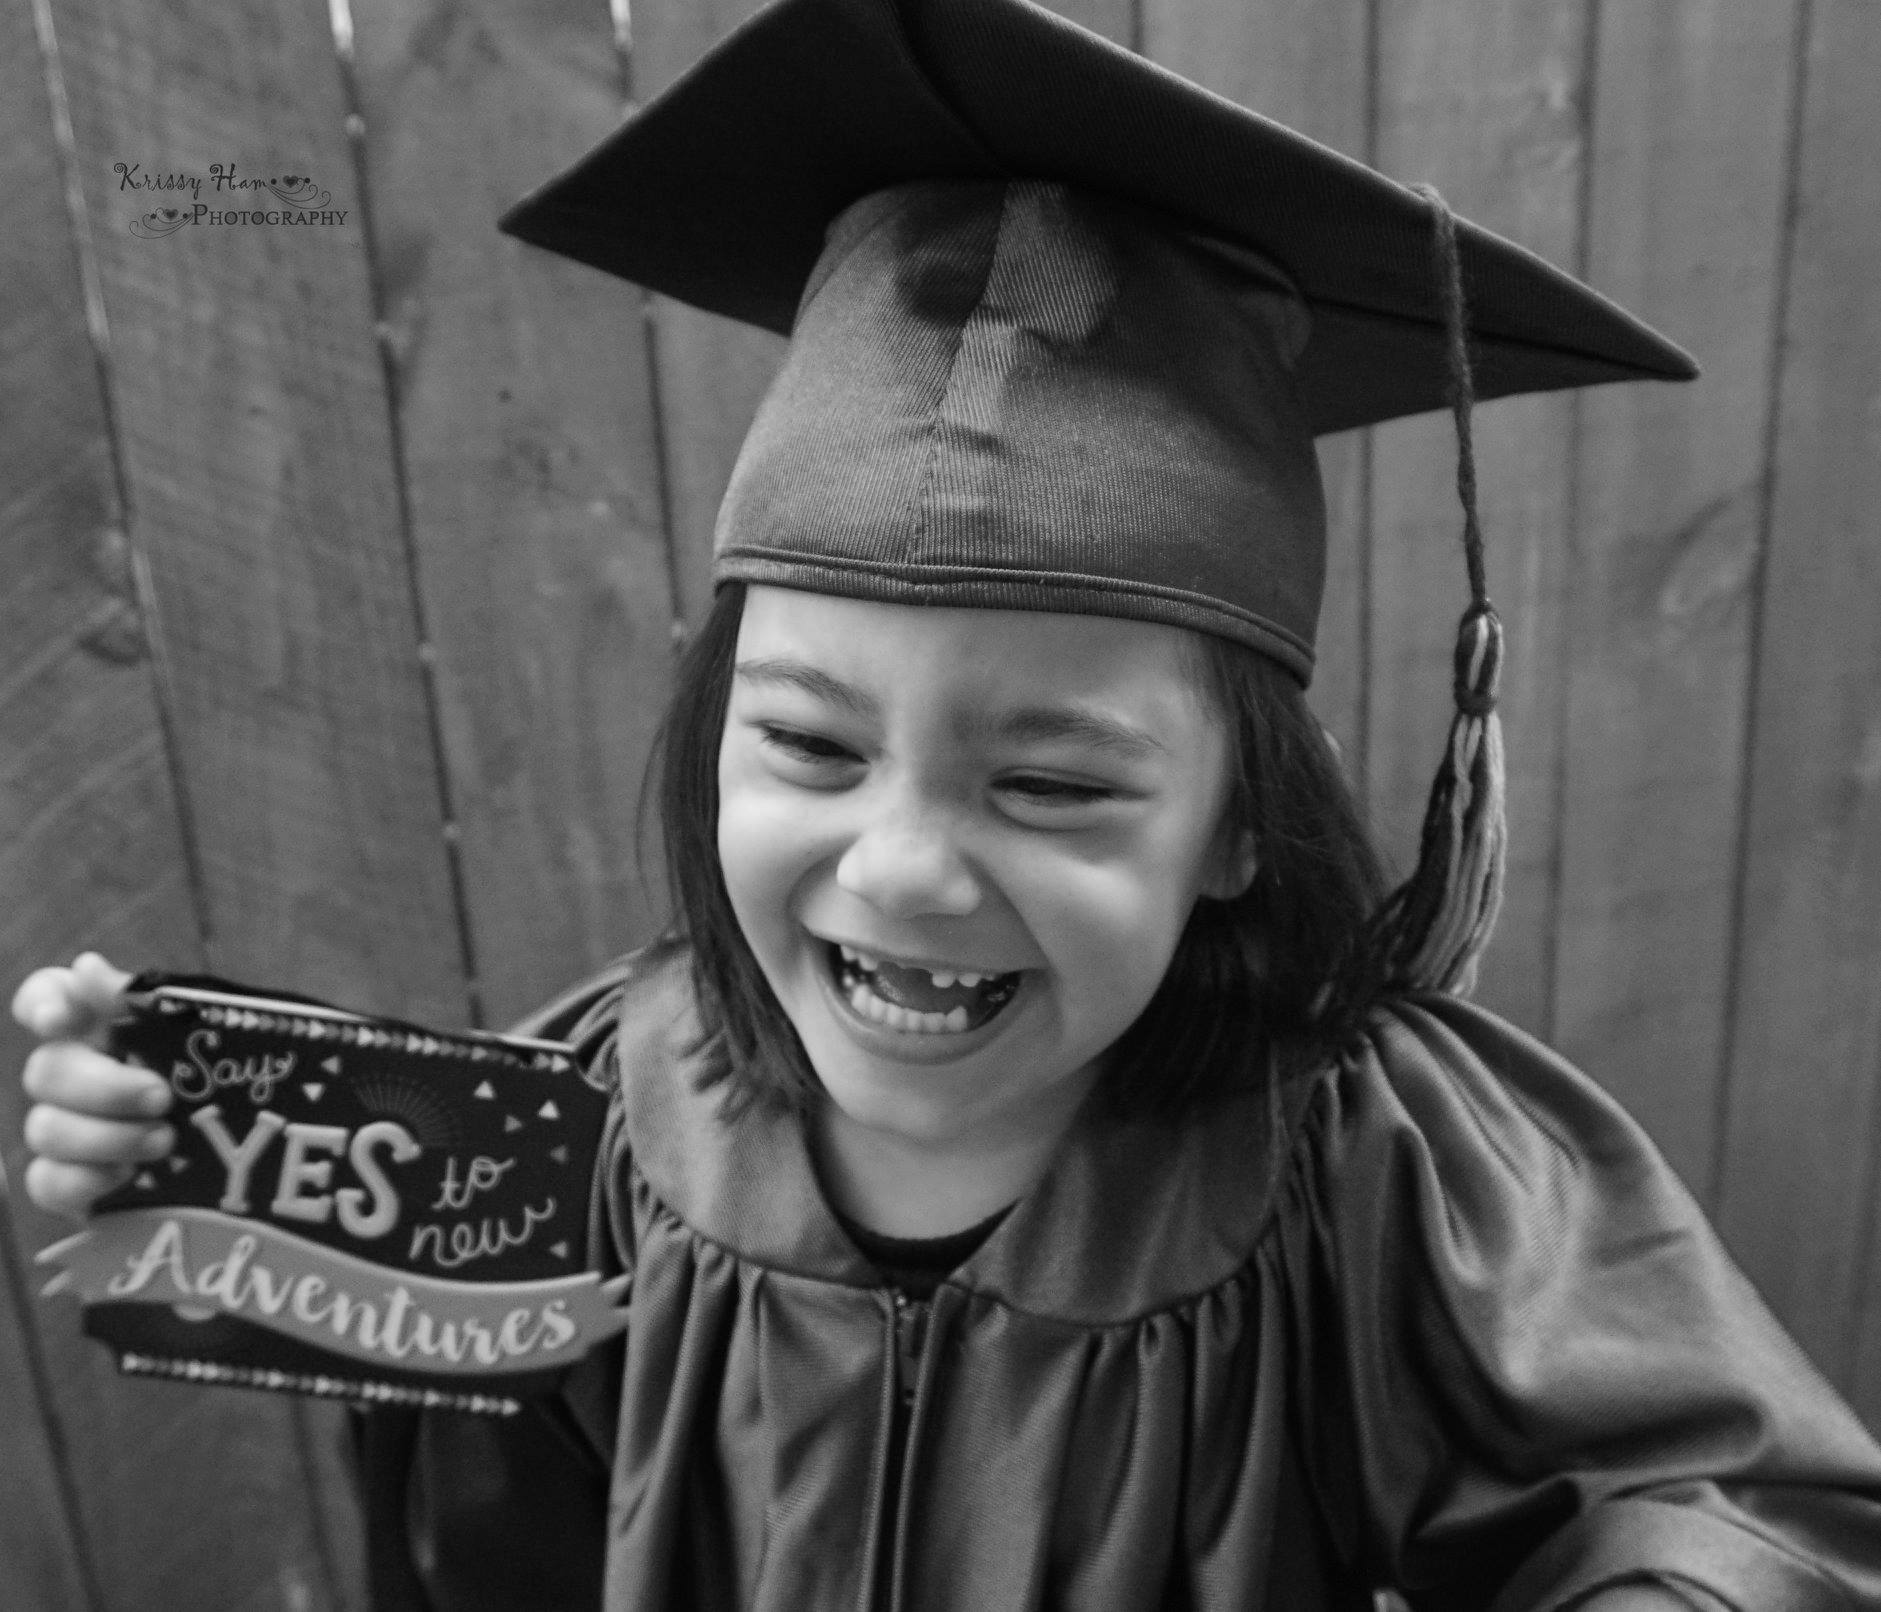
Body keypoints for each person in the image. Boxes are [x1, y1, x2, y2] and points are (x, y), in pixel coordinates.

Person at [15, 0, 1881, 1606]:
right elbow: (475, 1524)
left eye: (1051, 781)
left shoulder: (1378, 1168)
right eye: (809, 747)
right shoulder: (592, 1113)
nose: (901, 867)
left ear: (1237, 827)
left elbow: (1721, 1501)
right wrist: (192, 1149)